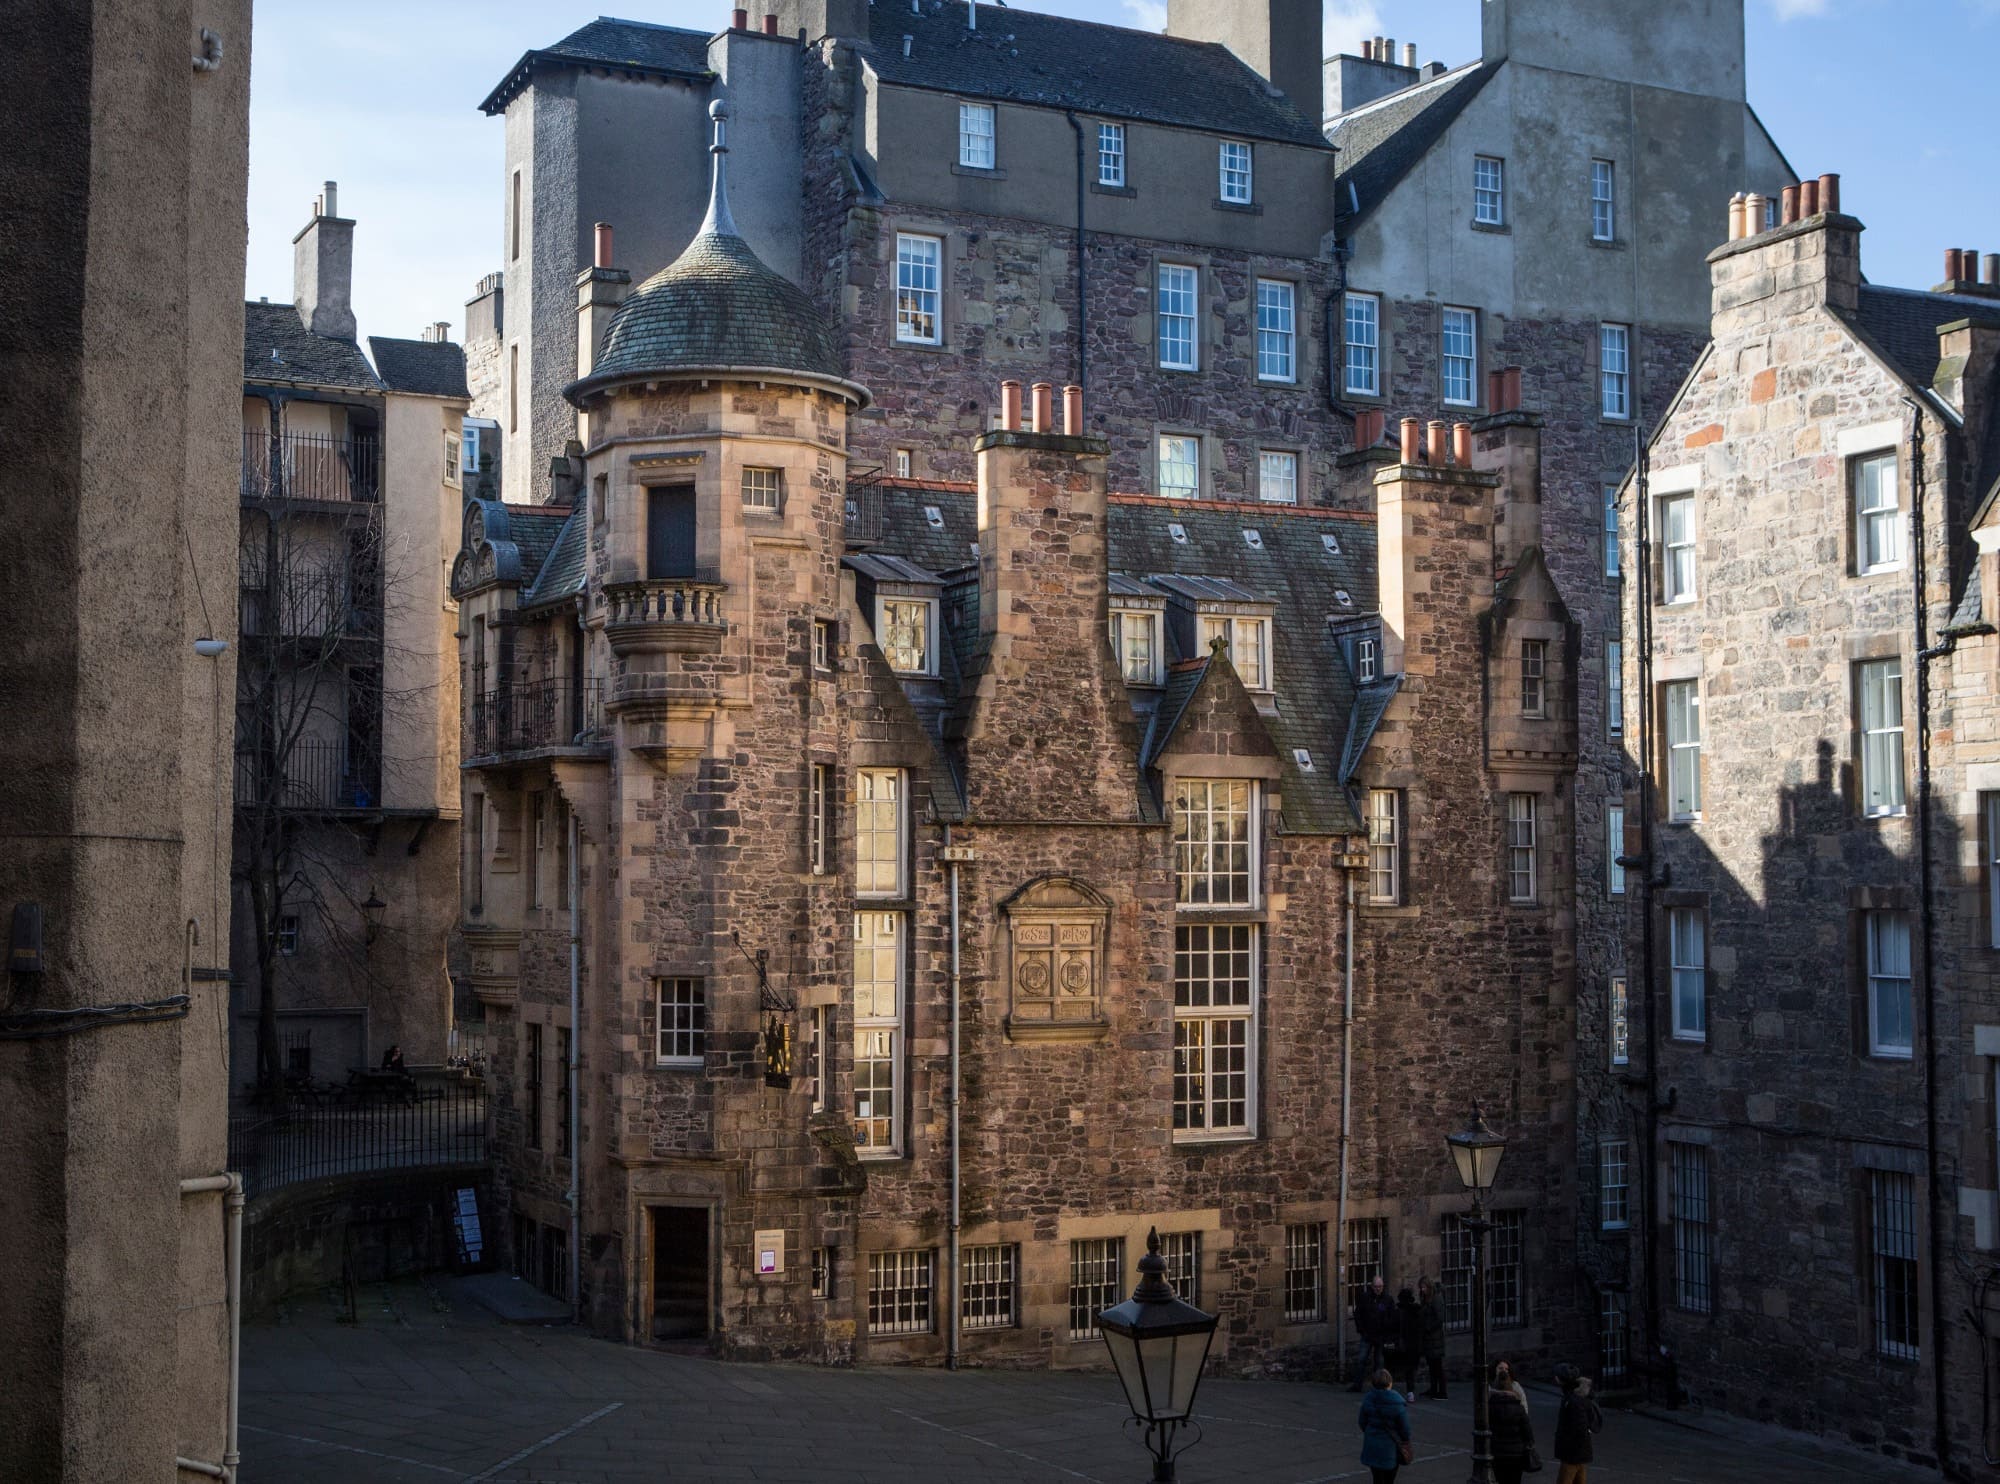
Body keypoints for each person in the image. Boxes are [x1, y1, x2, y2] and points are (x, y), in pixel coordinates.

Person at [1357, 1368, 1411, 1484]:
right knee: (1389, 1479)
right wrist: (1405, 1440)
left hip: (1372, 1444)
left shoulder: (1368, 1400)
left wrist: (1370, 1432)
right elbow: (1405, 1429)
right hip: (1391, 1446)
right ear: (1390, 1383)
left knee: (1377, 1478)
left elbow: (1362, 1422)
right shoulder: (1397, 1404)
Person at [1487, 1361, 1537, 1484]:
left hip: (1498, 1450)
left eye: (1506, 1368)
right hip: (1516, 1451)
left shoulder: (1491, 1406)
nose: (1504, 1370)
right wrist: (1529, 1444)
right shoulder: (1518, 1408)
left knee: (1500, 1479)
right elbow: (1527, 1430)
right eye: (1501, 1368)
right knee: (1515, 1480)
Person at [1553, 1363, 1603, 1484]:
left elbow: (1579, 1428)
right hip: (1577, 1453)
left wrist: (1570, 1449)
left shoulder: (1573, 1400)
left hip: (1572, 1454)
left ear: (1561, 1379)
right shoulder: (1573, 1396)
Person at [1349, 1275, 1397, 1390]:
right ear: (1372, 1286)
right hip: (1367, 1335)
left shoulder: (1388, 1299)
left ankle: (1378, 1386)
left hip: (1381, 1336)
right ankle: (1357, 1385)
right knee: (1361, 1360)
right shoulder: (1365, 1298)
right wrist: (1361, 1329)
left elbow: (1392, 1316)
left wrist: (1387, 1329)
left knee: (1379, 1362)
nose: (1378, 1289)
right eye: (1376, 1287)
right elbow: (1358, 1314)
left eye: (1380, 1287)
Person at [1417, 1278, 1448, 1399]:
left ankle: (1442, 1392)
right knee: (1432, 1365)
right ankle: (1434, 1388)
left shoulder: (1436, 1298)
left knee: (1438, 1366)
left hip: (1435, 1338)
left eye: (1424, 1287)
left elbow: (1439, 1318)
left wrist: (1429, 1328)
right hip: (1428, 1338)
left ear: (1429, 1287)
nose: (1422, 1289)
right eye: (1421, 1287)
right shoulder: (1426, 1299)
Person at [1394, 1286, 1423, 1400]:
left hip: (1403, 1344)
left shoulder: (1399, 1312)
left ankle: (1389, 1390)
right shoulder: (1416, 1310)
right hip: (1413, 1345)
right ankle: (1410, 1392)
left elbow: (1393, 1327)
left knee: (1394, 1367)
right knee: (1410, 1370)